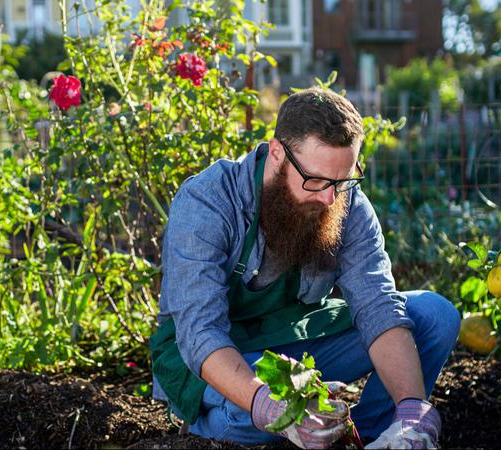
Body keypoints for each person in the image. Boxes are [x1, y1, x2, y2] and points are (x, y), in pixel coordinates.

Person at [149, 87, 460, 449]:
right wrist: (267, 403)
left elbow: (377, 304)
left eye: (342, 181)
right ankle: (228, 423)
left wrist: (411, 408)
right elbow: (200, 332)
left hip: (296, 342)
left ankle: (378, 436)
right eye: (317, 181)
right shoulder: (208, 201)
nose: (330, 198)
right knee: (254, 419)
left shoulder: (344, 201)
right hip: (219, 356)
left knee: (434, 315)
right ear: (278, 154)